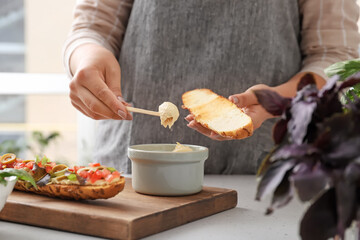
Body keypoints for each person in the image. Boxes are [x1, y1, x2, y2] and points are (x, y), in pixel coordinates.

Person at [63, 0, 360, 174]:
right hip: (133, 172)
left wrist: (276, 100)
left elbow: (335, 56)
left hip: (262, 173)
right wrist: (87, 58)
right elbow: (94, 27)